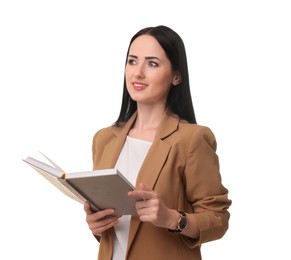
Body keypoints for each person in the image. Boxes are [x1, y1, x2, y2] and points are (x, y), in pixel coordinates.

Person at [84, 25, 231, 260]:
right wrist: (97, 225)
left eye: (152, 63)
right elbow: (116, 230)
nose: (138, 73)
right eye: (132, 61)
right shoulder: (104, 139)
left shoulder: (192, 139)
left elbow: (218, 219)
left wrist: (172, 218)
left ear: (176, 76)